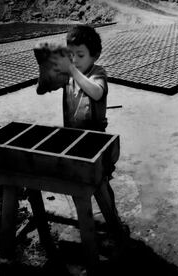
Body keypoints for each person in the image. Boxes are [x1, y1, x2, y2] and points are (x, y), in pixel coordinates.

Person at [40, 25, 128, 257]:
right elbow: (44, 88)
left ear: (94, 56)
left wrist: (73, 71)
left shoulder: (98, 73)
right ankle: (88, 221)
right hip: (74, 140)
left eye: (80, 56)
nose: (75, 60)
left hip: (97, 144)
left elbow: (97, 93)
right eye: (71, 55)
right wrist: (48, 68)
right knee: (78, 185)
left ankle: (113, 224)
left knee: (102, 185)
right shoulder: (69, 75)